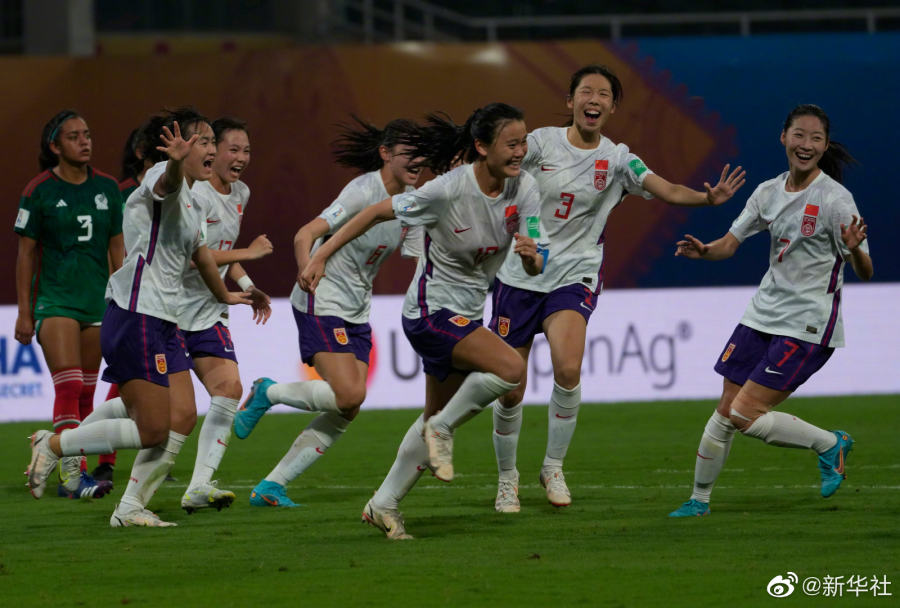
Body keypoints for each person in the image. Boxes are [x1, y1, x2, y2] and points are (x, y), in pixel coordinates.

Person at [487, 64, 746, 513]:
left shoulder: (620, 158)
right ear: (570, 101)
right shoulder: (541, 143)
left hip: (575, 275)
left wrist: (706, 198)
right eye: (586, 91)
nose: (594, 99)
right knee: (509, 387)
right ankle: (507, 478)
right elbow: (497, 167)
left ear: (612, 108)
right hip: (519, 276)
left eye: (604, 94)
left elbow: (666, 188)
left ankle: (553, 466)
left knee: (569, 369)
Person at [301, 103, 548, 538]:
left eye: (524, 142)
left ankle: (383, 504)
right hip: (429, 312)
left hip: (466, 314)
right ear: (481, 147)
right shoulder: (447, 190)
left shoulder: (525, 187)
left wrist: (531, 258)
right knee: (511, 369)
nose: (520, 151)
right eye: (512, 143)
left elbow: (537, 258)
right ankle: (443, 429)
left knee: (432, 414)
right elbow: (374, 213)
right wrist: (320, 254)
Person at [26, 108, 252, 528]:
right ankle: (55, 445)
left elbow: (201, 255)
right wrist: (173, 163)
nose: (210, 149)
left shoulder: (195, 200)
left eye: (210, 142)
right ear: (177, 148)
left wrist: (228, 295)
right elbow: (166, 184)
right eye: (202, 142)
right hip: (137, 314)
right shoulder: (159, 178)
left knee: (181, 417)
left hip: (166, 320)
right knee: (152, 430)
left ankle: (130, 508)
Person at [669, 104, 872, 518]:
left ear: (825, 146)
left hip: (808, 323)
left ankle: (829, 444)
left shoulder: (835, 199)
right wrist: (705, 251)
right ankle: (698, 501)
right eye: (799, 135)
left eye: (816, 138)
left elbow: (865, 270)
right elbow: (729, 244)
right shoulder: (767, 192)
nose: (806, 144)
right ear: (784, 137)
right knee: (726, 410)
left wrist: (854, 250)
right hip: (761, 315)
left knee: (744, 413)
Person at [232, 117, 422, 507]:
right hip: (322, 300)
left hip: (357, 308)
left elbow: (419, 260)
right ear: (385, 154)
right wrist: (307, 269)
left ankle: (271, 486)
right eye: (408, 153)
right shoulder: (362, 191)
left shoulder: (413, 202)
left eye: (422, 154)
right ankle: (268, 392)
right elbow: (305, 233)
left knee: (348, 406)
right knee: (350, 393)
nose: (417, 161)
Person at [15, 109, 125, 500]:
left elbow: (117, 248)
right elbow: (26, 254)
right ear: (55, 146)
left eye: (87, 134)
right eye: (74, 136)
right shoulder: (39, 190)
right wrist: (25, 312)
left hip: (98, 302)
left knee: (86, 394)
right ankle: (72, 476)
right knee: (71, 384)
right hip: (55, 301)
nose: (85, 141)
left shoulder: (108, 188)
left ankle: (59, 454)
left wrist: (122, 300)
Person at [179, 116, 273, 513]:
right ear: (212, 150)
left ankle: (199, 486)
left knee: (229, 390)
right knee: (158, 415)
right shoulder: (193, 193)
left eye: (246, 150)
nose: (241, 158)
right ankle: (60, 443)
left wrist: (248, 284)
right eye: (233, 149)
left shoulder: (241, 193)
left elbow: (224, 250)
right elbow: (191, 257)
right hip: (170, 310)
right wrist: (249, 253)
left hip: (210, 310)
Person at [91, 123, 157, 483]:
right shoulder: (123, 194)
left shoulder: (178, 192)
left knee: (158, 383)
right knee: (125, 382)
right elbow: (112, 245)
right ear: (141, 152)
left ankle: (153, 455)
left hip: (164, 300)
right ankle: (100, 457)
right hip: (132, 300)